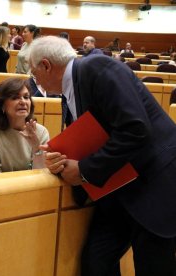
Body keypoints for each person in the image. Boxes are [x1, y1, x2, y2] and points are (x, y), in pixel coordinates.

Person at [29, 35, 176, 276]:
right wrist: (61, 160)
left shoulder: (97, 68)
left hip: (152, 186)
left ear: (46, 65)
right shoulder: (72, 87)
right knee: (96, 261)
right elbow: (94, 136)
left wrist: (84, 170)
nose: (35, 79)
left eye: (35, 72)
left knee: (154, 267)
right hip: (119, 189)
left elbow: (136, 129)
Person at [0, 77, 49, 174]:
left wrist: (36, 148)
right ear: (2, 105)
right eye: (15, 98)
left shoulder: (41, 132)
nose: (23, 102)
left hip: (32, 187)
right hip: (2, 187)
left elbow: (43, 174)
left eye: (26, 97)